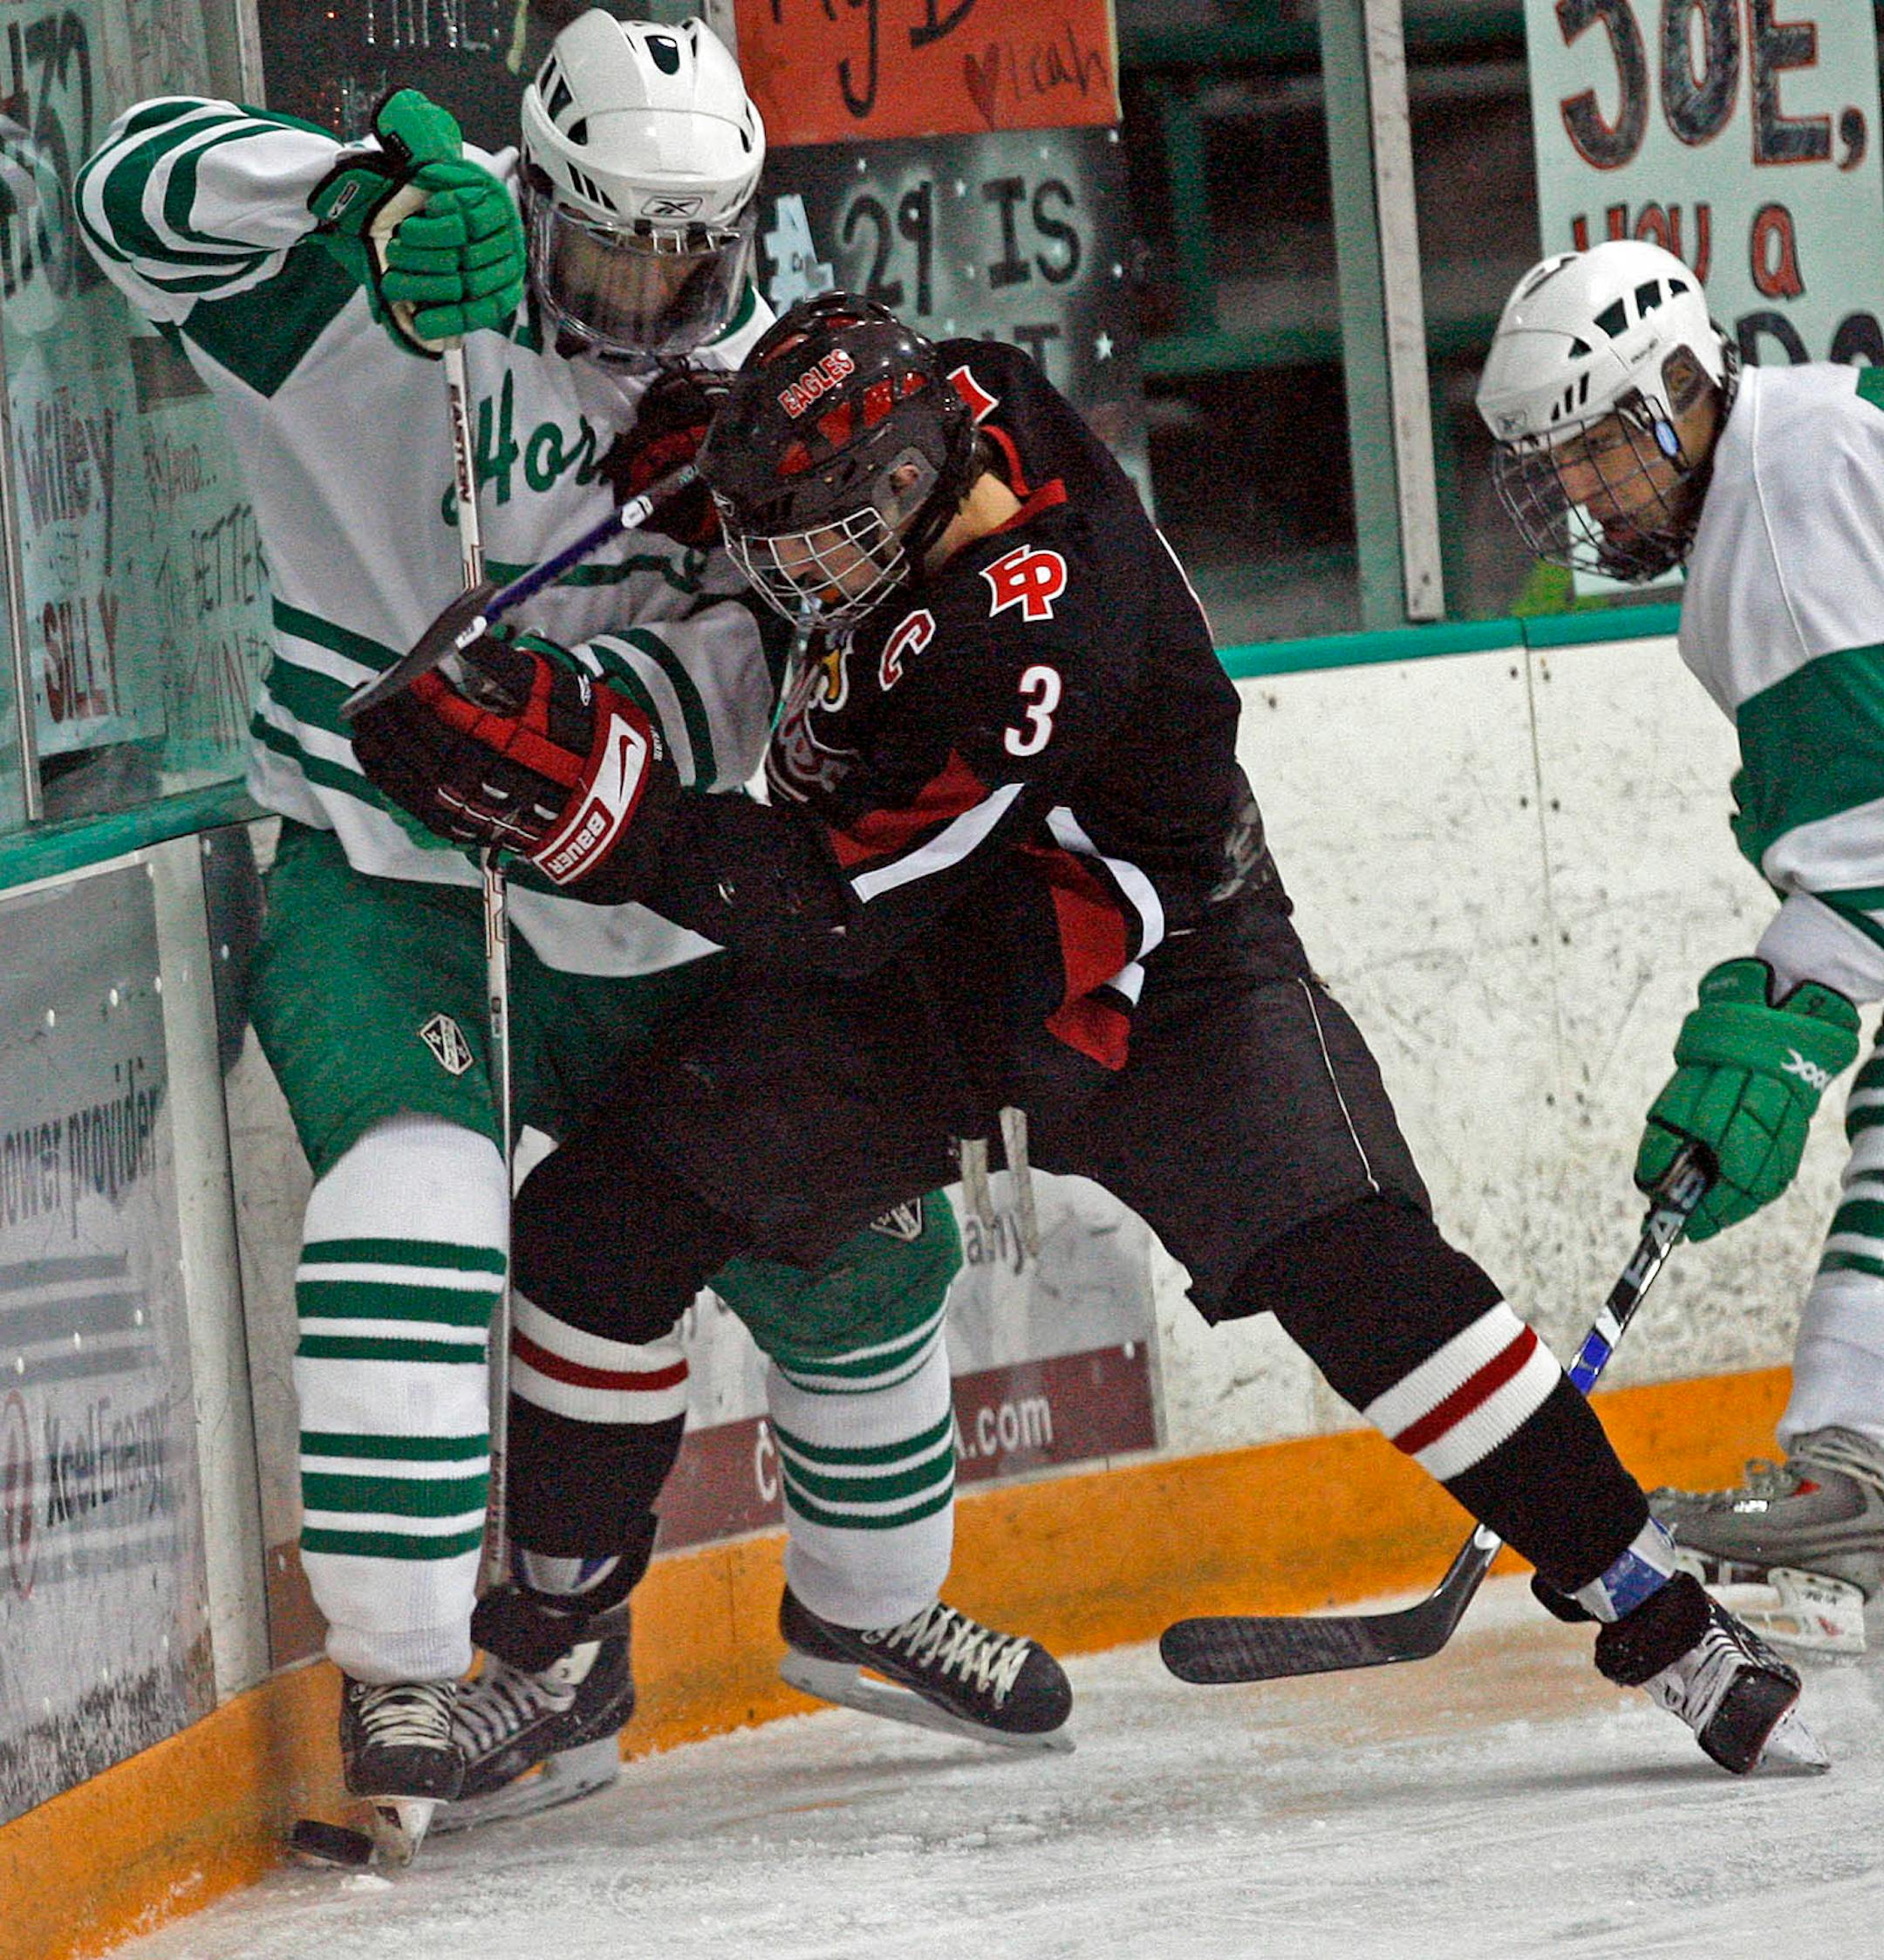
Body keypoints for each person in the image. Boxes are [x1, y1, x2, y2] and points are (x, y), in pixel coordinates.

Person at [352, 288, 1826, 1778]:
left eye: (812, 541)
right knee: (598, 1229)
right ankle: (557, 1659)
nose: (785, 576)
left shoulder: (1033, 631)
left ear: (910, 491)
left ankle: (1658, 1609)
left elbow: (830, 901)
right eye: (775, 540)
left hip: (1152, 977)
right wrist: (728, 456)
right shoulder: (963, 397)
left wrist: (603, 818)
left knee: (1360, 1269)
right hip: (921, 978)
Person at [77, 17, 1063, 1856]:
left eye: (695, 252)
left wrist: (609, 720)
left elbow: (849, 648)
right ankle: (406, 1663)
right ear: (530, 188)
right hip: (394, 879)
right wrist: (354, 186)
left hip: (670, 896)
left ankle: (859, 1608)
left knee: (860, 1238)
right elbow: (122, 188)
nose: (655, 298)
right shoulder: (374, 278)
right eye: (612, 247)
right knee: (419, 1203)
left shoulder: (787, 369)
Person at [1475, 236, 1884, 1655]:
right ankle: (1855, 1469)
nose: (1582, 497)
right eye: (1560, 470)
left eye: (1594, 455)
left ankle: (1855, 1472)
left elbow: (1869, 843)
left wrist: (1775, 1028)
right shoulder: (1781, 468)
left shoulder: (1780, 504)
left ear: (1677, 393)